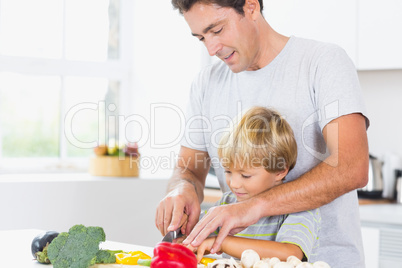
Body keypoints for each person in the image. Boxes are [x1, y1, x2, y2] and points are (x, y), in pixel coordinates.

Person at [155, 0, 369, 267]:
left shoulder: (322, 62)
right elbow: (189, 170)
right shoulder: (207, 83)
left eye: (217, 30)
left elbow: (352, 167)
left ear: (251, 7)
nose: (211, 49)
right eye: (201, 38)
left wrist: (251, 208)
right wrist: (181, 188)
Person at [189, 106, 320, 263]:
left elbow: (291, 254)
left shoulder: (299, 207)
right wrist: (184, 228)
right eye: (228, 171)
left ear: (280, 171)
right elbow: (196, 234)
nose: (234, 184)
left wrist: (222, 242)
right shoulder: (227, 203)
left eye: (246, 175)